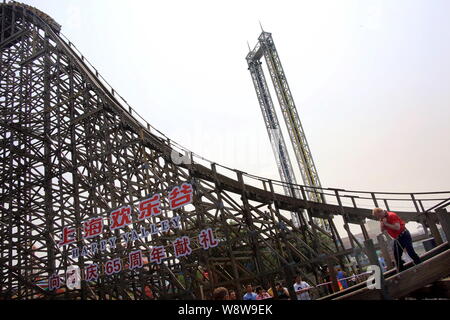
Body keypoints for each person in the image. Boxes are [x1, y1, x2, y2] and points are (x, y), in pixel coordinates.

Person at [373, 208, 421, 272]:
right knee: (397, 256)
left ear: (381, 212)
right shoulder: (382, 219)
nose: (378, 217)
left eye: (378, 215)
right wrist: (382, 224)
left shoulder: (391, 215)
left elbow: (397, 227)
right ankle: (401, 272)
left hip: (404, 235)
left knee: (410, 252)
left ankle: (420, 265)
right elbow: (382, 230)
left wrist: (386, 224)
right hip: (397, 239)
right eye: (377, 216)